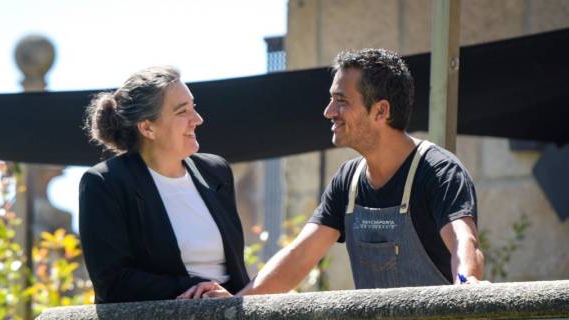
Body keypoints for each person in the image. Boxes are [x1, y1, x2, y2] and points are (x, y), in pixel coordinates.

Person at [181, 48, 484, 300]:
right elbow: (299, 257)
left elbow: (463, 240)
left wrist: (466, 284)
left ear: (381, 111)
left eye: (342, 101)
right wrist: (238, 304)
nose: (328, 111)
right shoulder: (347, 182)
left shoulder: (439, 171)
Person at [79, 66, 249, 304]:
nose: (197, 120)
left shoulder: (216, 171)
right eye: (183, 112)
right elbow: (113, 282)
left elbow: (236, 270)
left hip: (232, 318)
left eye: (194, 108)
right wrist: (199, 289)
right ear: (147, 127)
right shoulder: (104, 183)